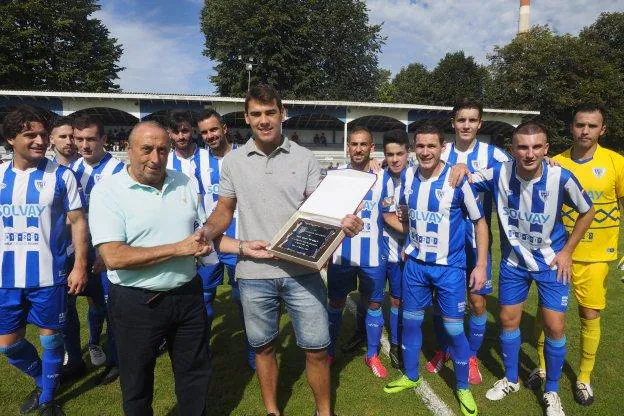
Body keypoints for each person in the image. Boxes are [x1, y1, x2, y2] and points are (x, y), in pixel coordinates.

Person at [198, 84, 363, 416]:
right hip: (253, 272)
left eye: (270, 112)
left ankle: (324, 411)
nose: (263, 120)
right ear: (246, 118)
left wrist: (346, 223)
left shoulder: (305, 159)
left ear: (282, 114)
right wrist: (208, 230)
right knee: (264, 348)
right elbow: (224, 210)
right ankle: (273, 411)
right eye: (256, 114)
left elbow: (325, 211)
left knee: (317, 349)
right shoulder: (233, 162)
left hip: (302, 271)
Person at [470, 121, 594, 416]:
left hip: (551, 263)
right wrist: (459, 169)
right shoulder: (499, 172)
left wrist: (567, 251)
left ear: (546, 148)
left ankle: (551, 391)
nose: (529, 153)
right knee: (508, 320)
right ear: (512, 149)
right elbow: (465, 179)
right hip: (514, 263)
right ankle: (511, 378)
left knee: (555, 326)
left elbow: (587, 211)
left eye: (537, 147)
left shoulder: (560, 177)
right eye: (523, 147)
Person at [382, 124, 487, 416]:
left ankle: (462, 387)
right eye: (420, 146)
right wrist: (411, 240)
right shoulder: (408, 178)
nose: (425, 151)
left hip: (450, 268)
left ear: (443, 147)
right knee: (412, 323)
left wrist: (479, 264)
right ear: (414, 148)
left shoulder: (456, 179)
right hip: (415, 266)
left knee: (454, 328)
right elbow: (405, 214)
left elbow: (480, 222)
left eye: (431, 146)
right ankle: (411, 374)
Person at [529, 104, 624, 406]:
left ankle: (583, 377)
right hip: (556, 255)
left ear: (602, 129)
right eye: (580, 125)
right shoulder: (554, 162)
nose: (585, 131)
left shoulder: (616, 163)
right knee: (550, 316)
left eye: (592, 126)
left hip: (596, 255)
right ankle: (543, 368)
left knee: (589, 314)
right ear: (571, 127)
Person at [0, 106, 88, 416]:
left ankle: (49, 400)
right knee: (8, 344)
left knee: (51, 340)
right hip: (5, 278)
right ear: (11, 138)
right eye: (30, 135)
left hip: (49, 275)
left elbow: (78, 221)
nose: (39, 141)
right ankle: (44, 379)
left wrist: (79, 264)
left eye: (41, 134)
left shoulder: (62, 175)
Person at [425, 99, 510, 384]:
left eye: (472, 120)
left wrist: (549, 160)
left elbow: (522, 169)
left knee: (476, 302)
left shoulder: (494, 155)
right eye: (461, 119)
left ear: (479, 124)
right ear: (453, 122)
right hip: (443, 242)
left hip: (476, 240)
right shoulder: (440, 150)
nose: (466, 125)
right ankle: (444, 349)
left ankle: (471, 355)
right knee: (443, 302)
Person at [326, 126, 390, 378]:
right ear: (347, 147)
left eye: (364, 144)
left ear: (371, 148)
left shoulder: (382, 176)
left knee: (374, 302)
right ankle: (329, 351)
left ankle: (372, 354)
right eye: (354, 144)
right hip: (341, 253)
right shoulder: (336, 175)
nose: (358, 149)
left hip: (373, 255)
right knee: (336, 302)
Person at [65, 115, 124, 385]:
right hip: (76, 251)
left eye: (91, 139)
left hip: (107, 250)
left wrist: (108, 250)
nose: (84, 145)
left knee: (111, 306)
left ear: (103, 139)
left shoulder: (118, 169)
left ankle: (114, 360)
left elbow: (126, 214)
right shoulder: (70, 169)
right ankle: (83, 351)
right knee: (81, 305)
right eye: (79, 139)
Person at [378, 129, 410, 369]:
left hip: (405, 254)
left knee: (399, 301)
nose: (395, 159)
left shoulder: (418, 178)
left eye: (399, 153)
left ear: (408, 153)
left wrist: (412, 241)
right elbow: (388, 216)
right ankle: (364, 335)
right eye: (390, 154)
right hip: (381, 252)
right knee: (374, 300)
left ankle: (397, 344)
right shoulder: (380, 178)